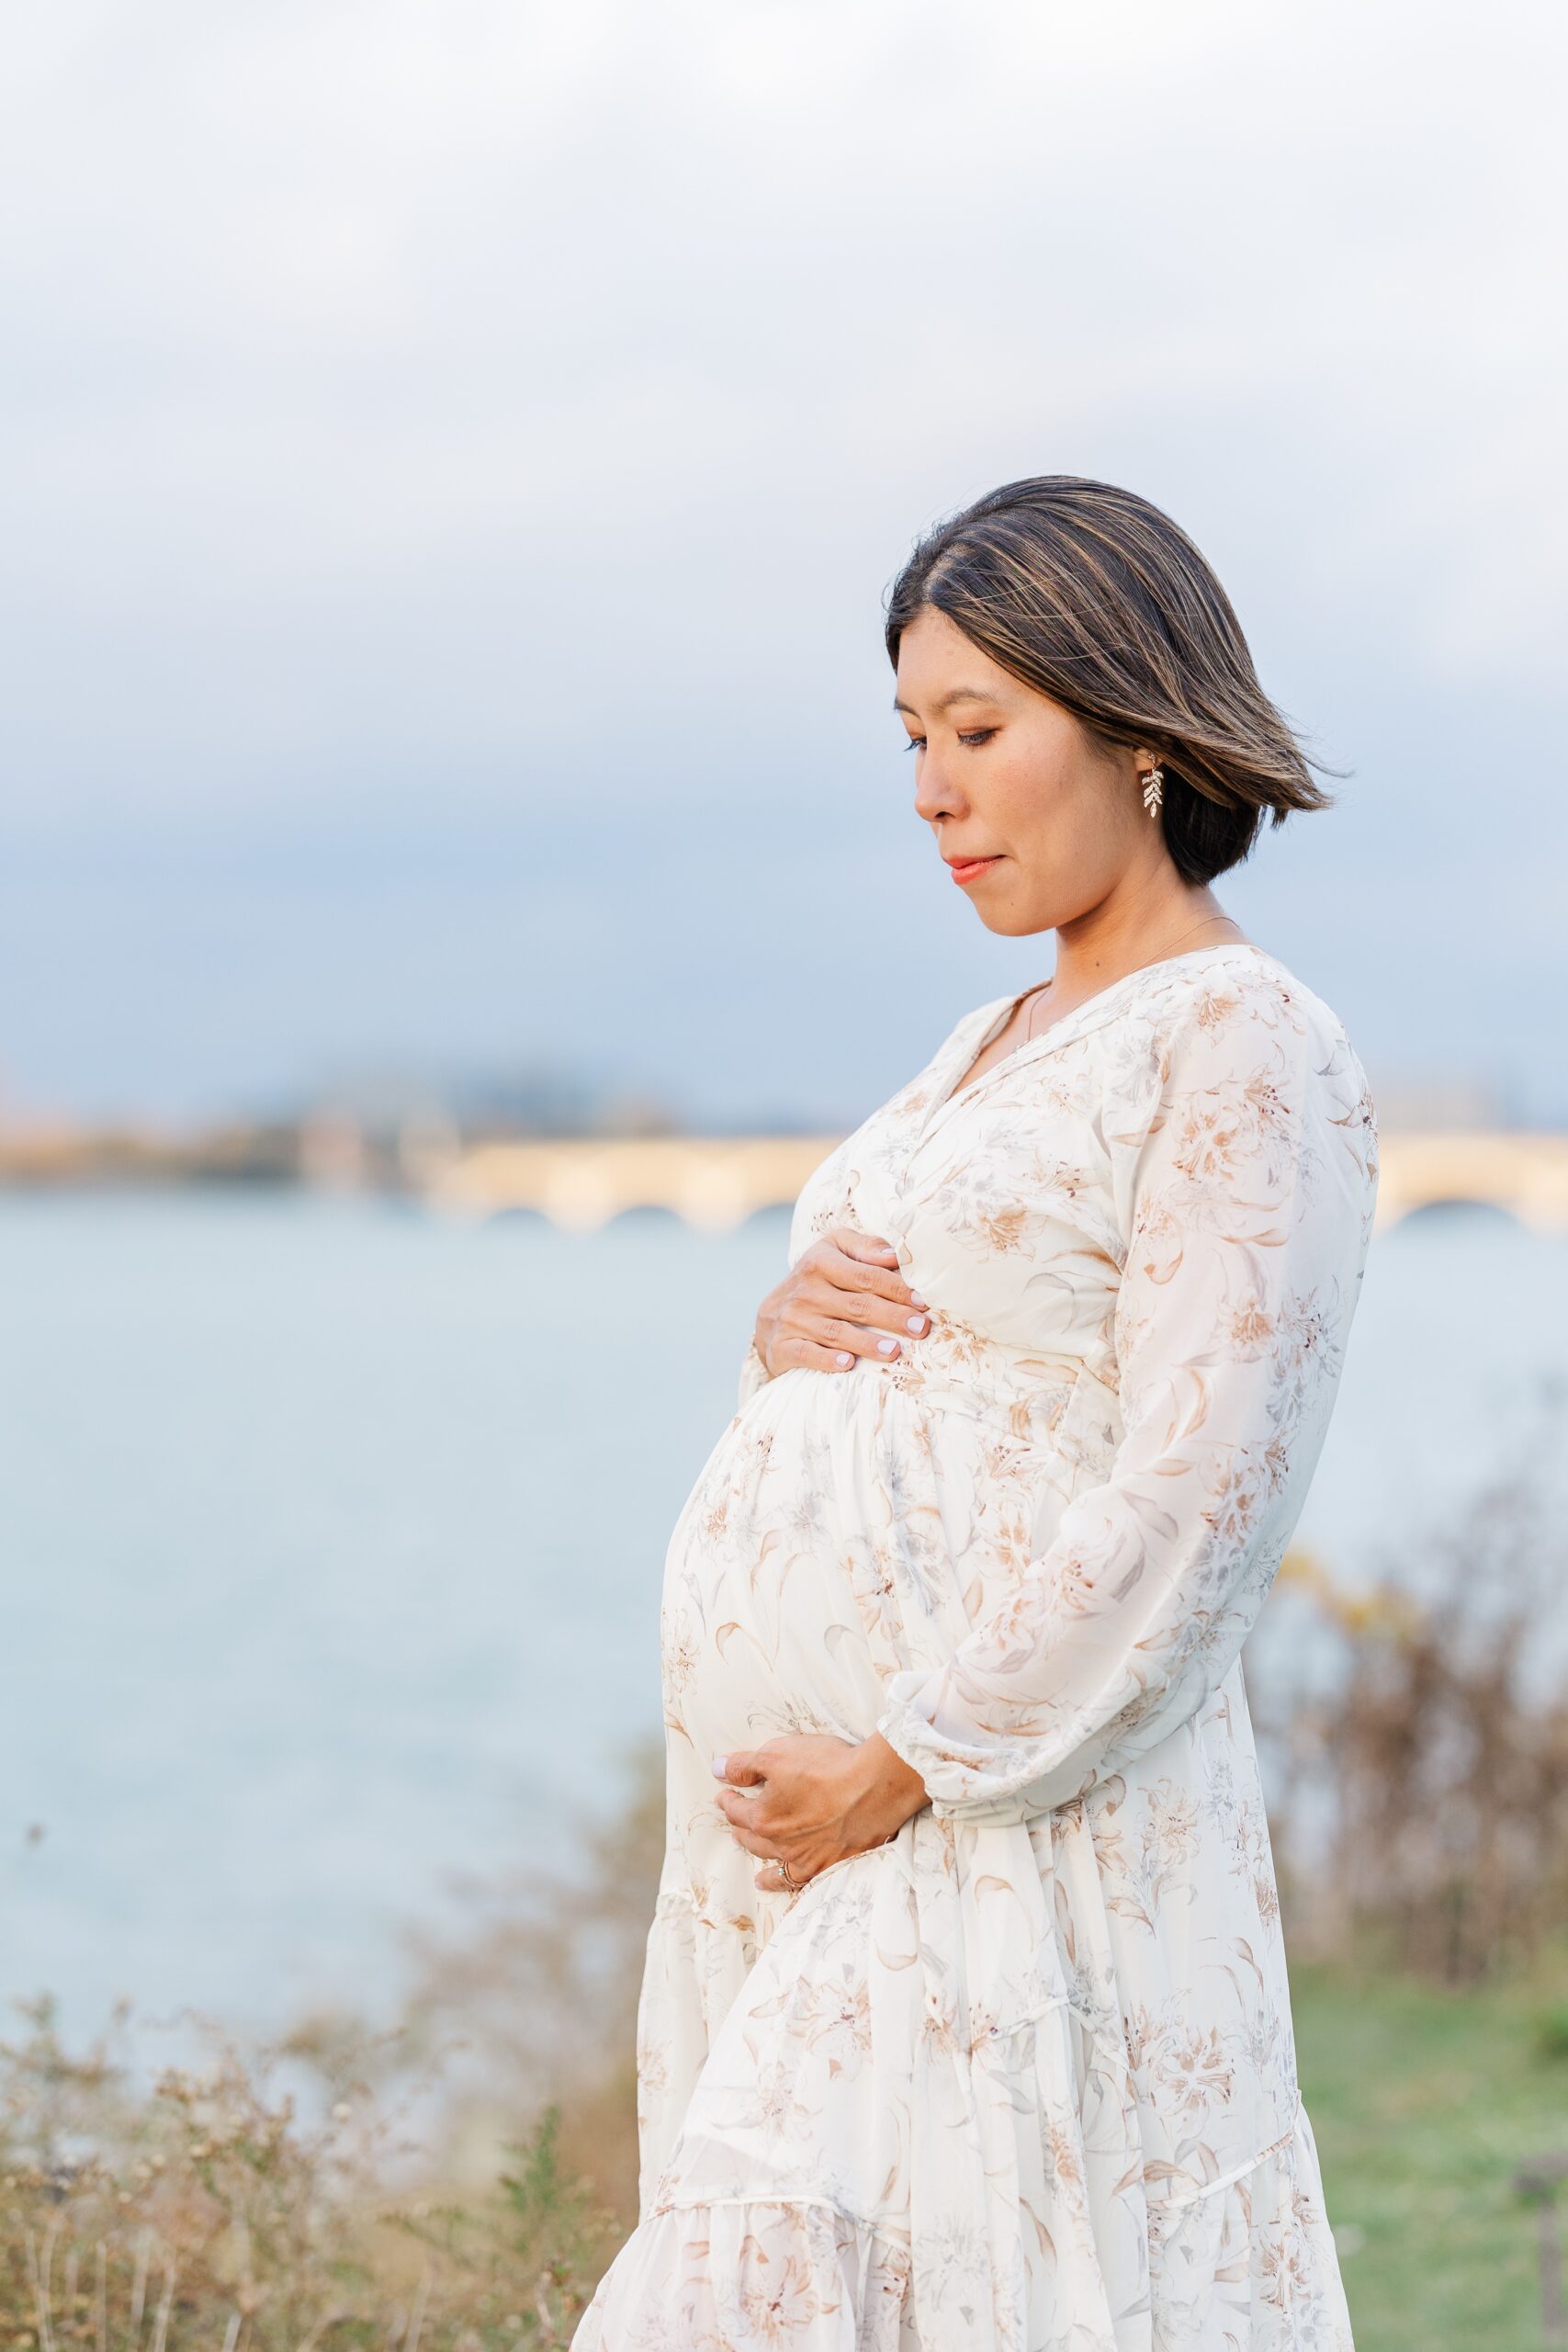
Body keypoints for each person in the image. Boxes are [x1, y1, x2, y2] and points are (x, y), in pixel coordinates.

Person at [572, 477, 1376, 2350]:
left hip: (997, 1821)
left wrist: (901, 1755)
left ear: (1139, 728)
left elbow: (1201, 1488)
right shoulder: (982, 1042)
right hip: (840, 1846)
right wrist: (777, 1340)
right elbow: (921, 1366)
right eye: (911, 737)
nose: (930, 789)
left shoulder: (1242, 1038)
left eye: (979, 730)